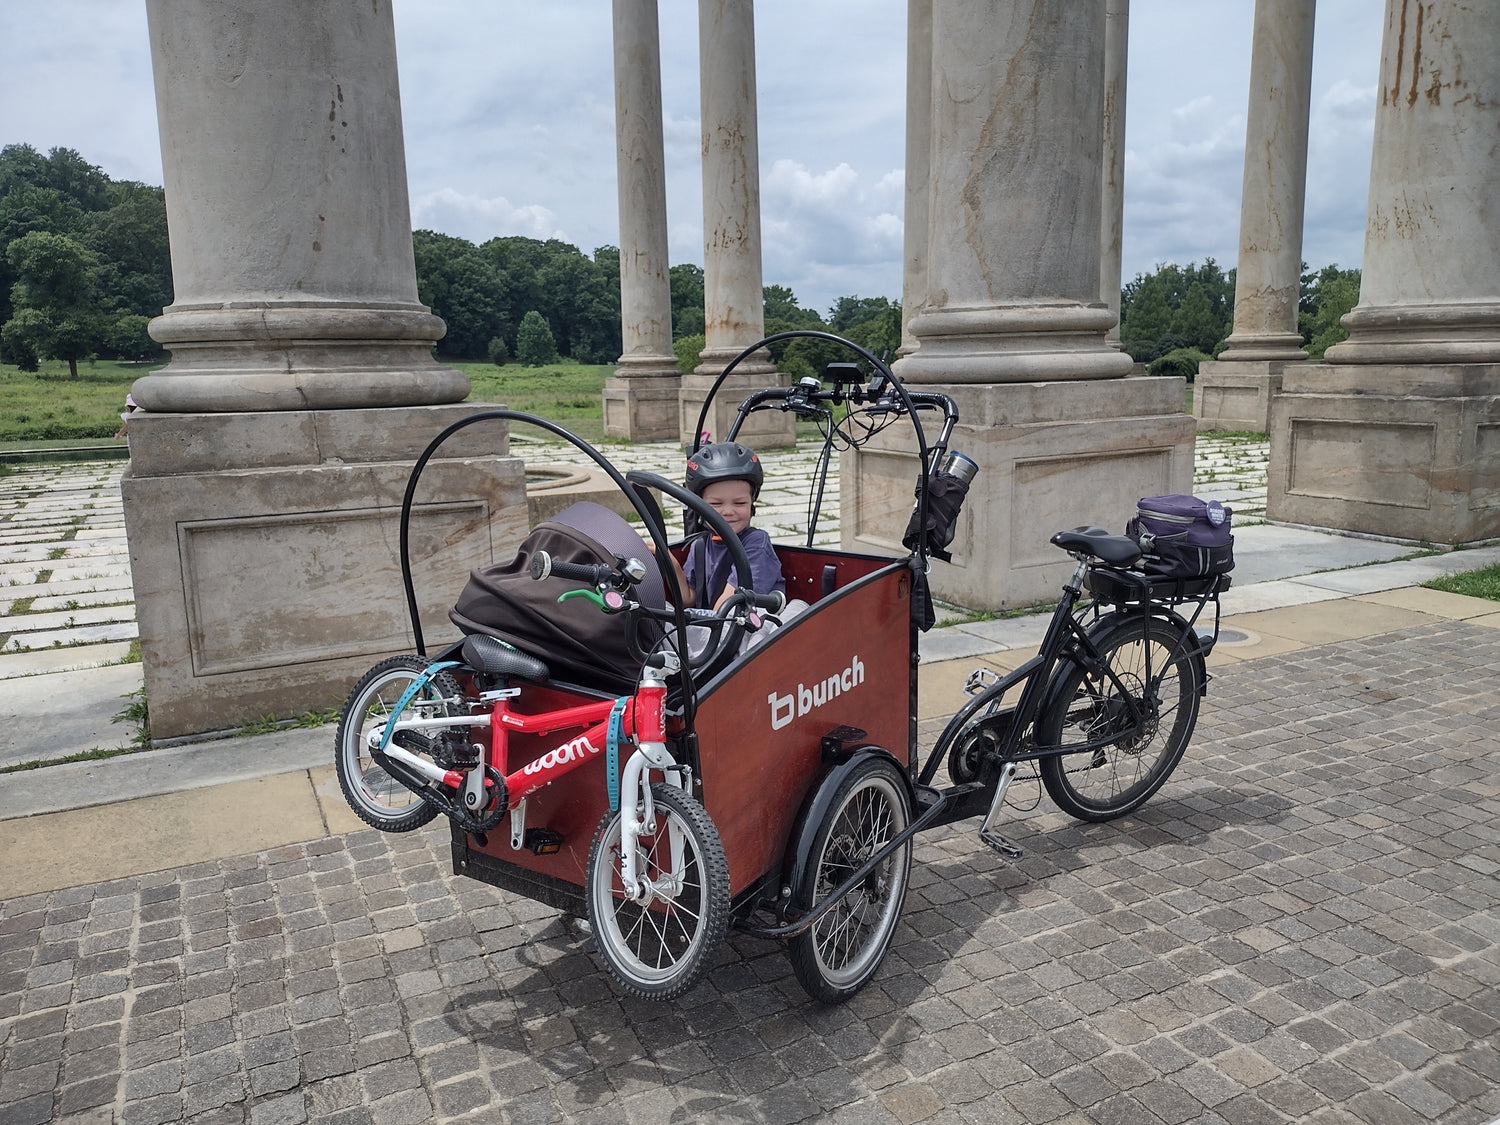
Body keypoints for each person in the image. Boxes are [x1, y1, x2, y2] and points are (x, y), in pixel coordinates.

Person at [659, 441, 785, 609]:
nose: (727, 511)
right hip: (717, 627)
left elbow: (726, 610)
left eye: (739, 503)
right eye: (716, 504)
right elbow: (689, 599)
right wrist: (668, 558)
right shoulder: (700, 546)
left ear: (752, 503)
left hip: (750, 627)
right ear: (699, 506)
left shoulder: (756, 543)